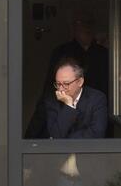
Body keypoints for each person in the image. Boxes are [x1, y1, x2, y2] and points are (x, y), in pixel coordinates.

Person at [24, 9, 109, 138]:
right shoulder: (61, 52)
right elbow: (49, 89)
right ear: (73, 27)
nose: (87, 26)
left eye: (90, 22)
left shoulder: (104, 54)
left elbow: (97, 132)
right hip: (62, 110)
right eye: (82, 22)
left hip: (93, 110)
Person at [45, 58, 107, 139]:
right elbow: (56, 135)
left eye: (66, 84)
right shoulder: (52, 100)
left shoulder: (97, 98)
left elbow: (97, 133)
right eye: (58, 84)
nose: (60, 89)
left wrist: (65, 140)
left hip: (88, 150)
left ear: (80, 82)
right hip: (61, 151)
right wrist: (69, 106)